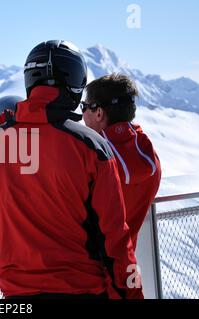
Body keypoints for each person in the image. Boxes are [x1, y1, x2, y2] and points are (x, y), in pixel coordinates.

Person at [0, 40, 142, 299]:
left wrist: (7, 119)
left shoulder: (1, 138)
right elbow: (115, 238)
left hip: (19, 293)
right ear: (76, 83)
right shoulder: (92, 147)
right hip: (81, 288)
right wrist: (132, 294)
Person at [82, 73, 162, 250]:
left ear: (99, 113)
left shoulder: (92, 158)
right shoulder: (149, 157)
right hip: (125, 262)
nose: (82, 114)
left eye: (84, 107)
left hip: (88, 268)